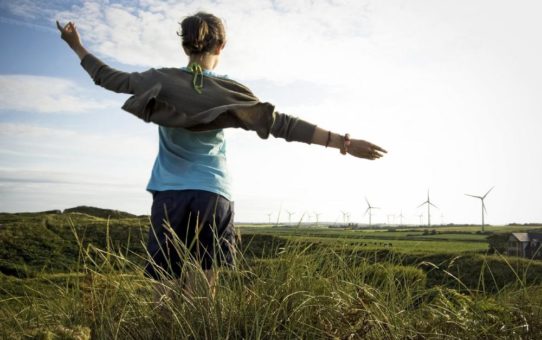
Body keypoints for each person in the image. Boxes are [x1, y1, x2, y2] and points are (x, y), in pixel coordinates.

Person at [56, 12, 387, 300]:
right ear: (221, 46)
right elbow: (283, 124)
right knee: (202, 294)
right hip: (214, 196)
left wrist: (75, 45)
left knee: (163, 290)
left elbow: (108, 78)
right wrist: (343, 142)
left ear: (184, 45)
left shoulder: (159, 79)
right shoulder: (231, 90)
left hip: (169, 194)